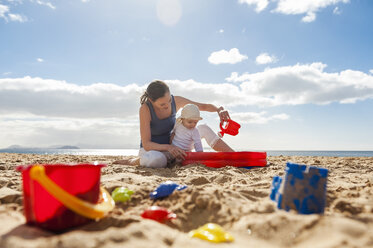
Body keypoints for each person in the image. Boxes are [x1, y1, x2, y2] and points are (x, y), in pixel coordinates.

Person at [114, 80, 234, 167]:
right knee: (158, 160)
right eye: (162, 104)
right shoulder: (145, 109)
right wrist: (168, 147)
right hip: (154, 150)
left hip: (175, 145)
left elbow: (203, 106)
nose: (167, 106)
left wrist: (219, 109)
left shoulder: (176, 101)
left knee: (204, 128)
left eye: (169, 101)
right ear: (151, 100)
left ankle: (234, 156)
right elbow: (146, 144)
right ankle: (134, 161)